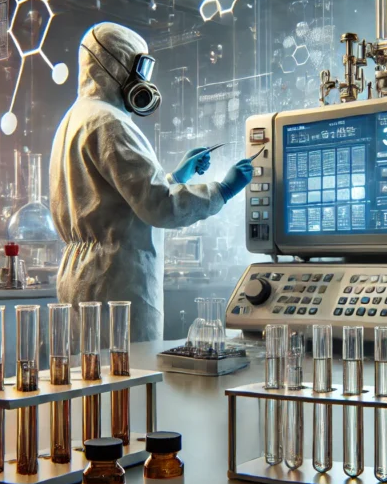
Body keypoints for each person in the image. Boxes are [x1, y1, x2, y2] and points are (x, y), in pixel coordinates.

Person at [50, 22, 253, 343]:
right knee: (127, 381)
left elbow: (119, 201)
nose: (143, 80)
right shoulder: (109, 122)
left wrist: (177, 177)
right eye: (138, 67)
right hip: (115, 280)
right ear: (114, 65)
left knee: (89, 380)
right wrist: (221, 190)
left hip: (81, 277)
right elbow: (159, 206)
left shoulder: (75, 119)